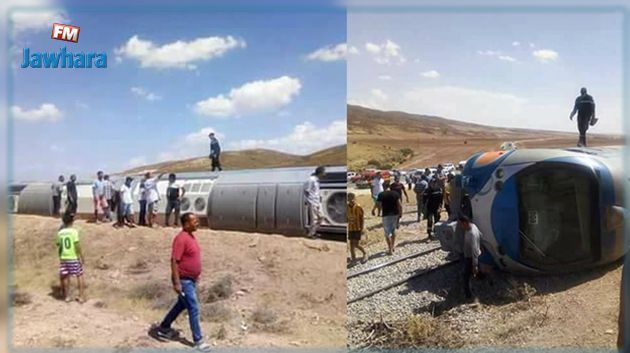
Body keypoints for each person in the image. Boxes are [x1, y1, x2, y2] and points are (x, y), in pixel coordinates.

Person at [155, 213, 212, 352]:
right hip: (184, 280)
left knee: (181, 305)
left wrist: (195, 275)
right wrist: (176, 282)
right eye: (194, 221)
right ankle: (198, 341)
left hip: (190, 280)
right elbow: (174, 260)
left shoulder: (191, 237)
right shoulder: (181, 239)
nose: (197, 222)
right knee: (193, 307)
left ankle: (164, 327)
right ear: (186, 224)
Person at [56, 213, 85, 303]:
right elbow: (77, 245)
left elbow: (59, 246)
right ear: (72, 221)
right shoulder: (74, 232)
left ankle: (67, 296)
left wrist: (60, 256)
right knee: (79, 275)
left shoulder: (60, 233)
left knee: (65, 276)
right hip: (73, 257)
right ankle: (81, 296)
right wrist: (81, 256)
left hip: (64, 257)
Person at [373, 181, 402, 255]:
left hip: (386, 215)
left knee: (387, 233)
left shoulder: (381, 194)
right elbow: (399, 205)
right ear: (389, 186)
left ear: (383, 186)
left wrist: (373, 210)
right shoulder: (395, 193)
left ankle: (390, 249)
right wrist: (400, 214)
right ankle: (393, 246)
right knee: (393, 231)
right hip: (395, 214)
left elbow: (378, 204)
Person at [459, 215, 482, 300]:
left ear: (465, 223)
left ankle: (468, 296)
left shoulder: (471, 234)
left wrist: (474, 265)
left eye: (461, 224)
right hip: (473, 255)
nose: (461, 226)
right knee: (476, 271)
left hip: (471, 257)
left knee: (466, 277)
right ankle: (482, 279)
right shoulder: (473, 226)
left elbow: (474, 251)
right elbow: (480, 235)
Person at [305, 166, 326, 239]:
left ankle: (313, 231)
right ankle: (311, 234)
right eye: (324, 172)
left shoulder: (317, 180)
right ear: (320, 173)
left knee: (322, 217)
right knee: (314, 219)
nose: (325, 174)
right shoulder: (311, 180)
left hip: (317, 202)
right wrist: (308, 201)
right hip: (312, 201)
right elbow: (307, 190)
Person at [347, 193, 367, 264]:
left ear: (354, 199)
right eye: (349, 198)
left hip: (357, 228)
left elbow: (362, 218)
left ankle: (365, 253)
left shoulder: (358, 207)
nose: (351, 200)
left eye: (352, 198)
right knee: (351, 244)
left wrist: (362, 229)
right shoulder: (346, 207)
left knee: (356, 244)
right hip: (350, 228)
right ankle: (353, 259)